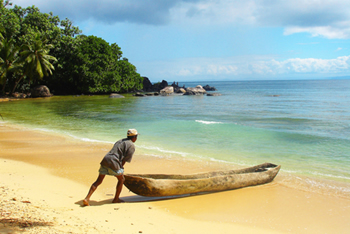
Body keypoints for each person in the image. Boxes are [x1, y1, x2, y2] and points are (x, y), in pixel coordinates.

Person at [83, 129, 138, 206]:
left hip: (106, 159)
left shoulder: (120, 141)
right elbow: (125, 159)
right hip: (114, 161)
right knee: (121, 179)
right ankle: (116, 199)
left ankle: (87, 198)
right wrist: (121, 167)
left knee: (99, 180)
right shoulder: (131, 145)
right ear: (135, 137)